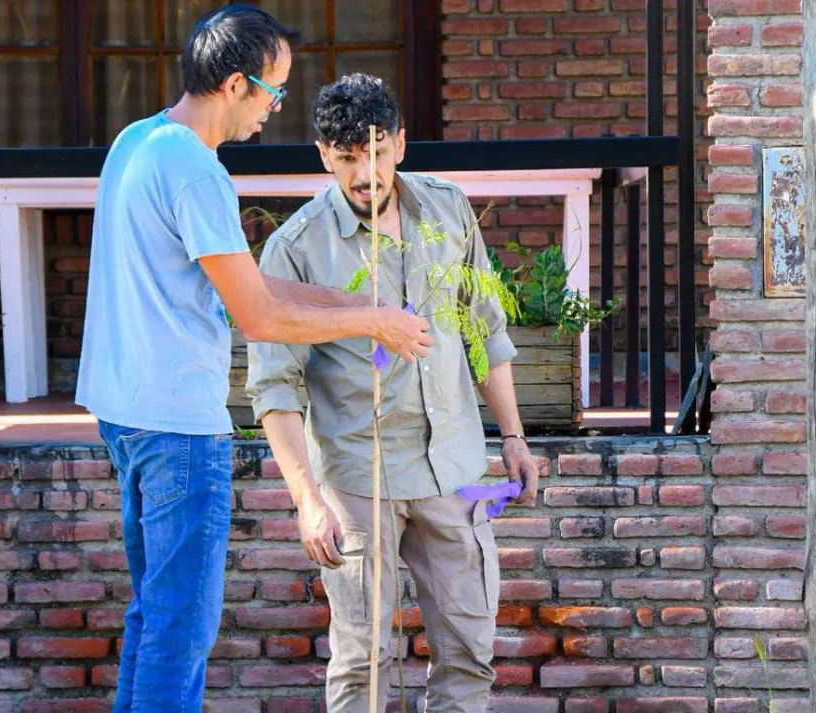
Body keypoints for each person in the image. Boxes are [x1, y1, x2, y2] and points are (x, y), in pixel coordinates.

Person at [74, 7, 434, 712]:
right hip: (178, 425)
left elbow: (244, 276)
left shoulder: (138, 142)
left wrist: (347, 302)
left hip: (126, 416)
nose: (276, 110)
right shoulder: (195, 170)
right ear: (235, 83)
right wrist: (373, 322)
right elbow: (257, 316)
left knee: (154, 617)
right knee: (179, 629)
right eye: (273, 92)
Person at [245, 73, 541, 713]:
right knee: (363, 662)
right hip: (357, 481)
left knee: (468, 652)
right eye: (347, 158)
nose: (364, 173)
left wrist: (513, 438)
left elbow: (483, 326)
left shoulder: (448, 211)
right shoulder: (294, 250)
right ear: (325, 156)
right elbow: (275, 385)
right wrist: (306, 500)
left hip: (453, 471)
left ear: (401, 145)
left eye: (376, 153)